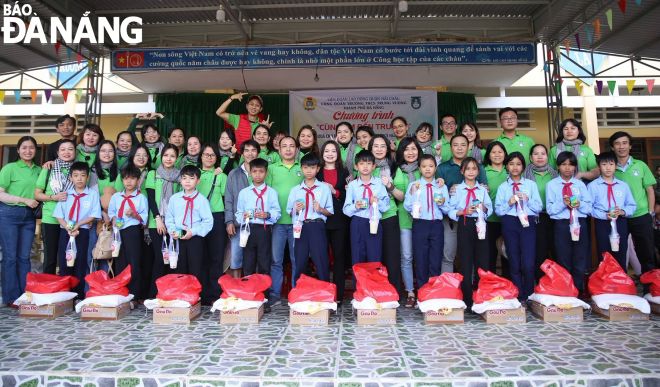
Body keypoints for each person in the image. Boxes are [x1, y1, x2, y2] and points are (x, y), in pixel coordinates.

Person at [610, 131, 657, 290]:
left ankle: (650, 289)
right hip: (619, 217)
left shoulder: (641, 166)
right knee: (618, 252)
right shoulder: (610, 167)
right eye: (617, 143)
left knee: (646, 253)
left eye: (624, 143)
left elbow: (649, 190)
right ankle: (621, 288)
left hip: (641, 215)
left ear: (630, 146)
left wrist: (651, 212)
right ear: (612, 147)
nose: (621, 147)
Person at [435, 134, 487, 274]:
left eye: (463, 145)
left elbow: (483, 188)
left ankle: (469, 289)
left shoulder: (477, 167)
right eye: (455, 145)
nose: (459, 148)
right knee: (448, 253)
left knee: (469, 255)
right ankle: (449, 288)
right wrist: (448, 191)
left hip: (473, 218)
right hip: (451, 217)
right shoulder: (442, 168)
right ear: (450, 148)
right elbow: (437, 191)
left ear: (469, 147)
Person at [495, 152, 542, 302]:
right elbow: (498, 211)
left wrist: (527, 200)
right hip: (510, 222)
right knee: (513, 261)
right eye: (511, 164)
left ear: (523, 166)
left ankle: (529, 294)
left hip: (527, 223)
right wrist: (509, 203)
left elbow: (538, 208)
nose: (515, 167)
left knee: (528, 263)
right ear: (507, 166)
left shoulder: (530, 185)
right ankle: (519, 296)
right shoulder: (503, 187)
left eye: (518, 164)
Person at [0, 137, 41, 307]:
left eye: (31, 148)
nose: (28, 151)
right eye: (24, 148)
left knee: (25, 257)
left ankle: (25, 294)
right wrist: (22, 199)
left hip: (29, 216)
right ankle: (10, 297)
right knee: (10, 257)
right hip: (9, 214)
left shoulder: (39, 170)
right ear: (18, 150)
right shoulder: (10, 168)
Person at [236, 158, 281, 312]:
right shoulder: (244, 193)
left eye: (261, 171)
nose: (257, 174)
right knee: (248, 263)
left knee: (264, 264)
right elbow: (238, 213)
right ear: (250, 172)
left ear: (266, 173)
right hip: (248, 230)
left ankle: (264, 298)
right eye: (254, 171)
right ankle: (248, 296)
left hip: (264, 230)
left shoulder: (271, 192)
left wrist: (267, 214)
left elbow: (277, 213)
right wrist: (242, 217)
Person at [53, 161, 101, 299]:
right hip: (65, 232)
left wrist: (78, 224)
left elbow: (94, 214)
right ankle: (65, 295)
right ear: (70, 178)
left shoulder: (92, 195)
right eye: (75, 175)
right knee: (64, 261)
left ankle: (78, 295)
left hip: (82, 231)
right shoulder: (65, 195)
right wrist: (68, 227)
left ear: (87, 178)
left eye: (82, 175)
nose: (79, 178)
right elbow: (58, 215)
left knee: (80, 262)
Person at [448, 157, 492, 308]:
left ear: (478, 171)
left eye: (474, 169)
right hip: (465, 224)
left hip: (481, 225)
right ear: (462, 171)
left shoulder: (482, 190)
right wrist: (464, 211)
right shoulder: (457, 190)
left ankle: (482, 297)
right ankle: (467, 299)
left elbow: (490, 210)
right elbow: (450, 210)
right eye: (468, 169)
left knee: (482, 261)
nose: (471, 172)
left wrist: (483, 208)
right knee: (465, 262)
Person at [546, 152, 593, 294]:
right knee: (563, 258)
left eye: (571, 164)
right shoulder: (552, 185)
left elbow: (589, 207)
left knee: (579, 258)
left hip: (579, 223)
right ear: (558, 166)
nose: (567, 168)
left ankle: (578, 291)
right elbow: (550, 210)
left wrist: (579, 204)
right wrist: (562, 203)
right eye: (564, 164)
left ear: (575, 167)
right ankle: (566, 291)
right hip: (562, 225)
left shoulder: (580, 184)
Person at [266, 136, 304, 306]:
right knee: (276, 260)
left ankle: (296, 292)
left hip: (298, 222)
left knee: (297, 259)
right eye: (284, 146)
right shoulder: (272, 168)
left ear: (297, 149)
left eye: (292, 146)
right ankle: (274, 294)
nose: (288, 149)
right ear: (278, 150)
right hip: (277, 223)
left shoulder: (302, 168)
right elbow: (265, 193)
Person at [404, 154, 450, 290]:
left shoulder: (441, 186)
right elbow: (407, 206)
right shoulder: (414, 185)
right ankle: (422, 291)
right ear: (419, 168)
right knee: (420, 258)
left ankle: (434, 291)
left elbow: (447, 209)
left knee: (435, 258)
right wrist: (413, 195)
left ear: (435, 168)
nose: (427, 169)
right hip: (420, 223)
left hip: (436, 225)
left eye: (431, 166)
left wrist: (442, 203)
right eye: (424, 166)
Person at [287, 153, 333, 284]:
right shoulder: (295, 190)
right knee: (300, 260)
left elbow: (330, 212)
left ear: (318, 169)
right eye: (306, 167)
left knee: (321, 260)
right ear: (301, 168)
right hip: (300, 226)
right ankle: (299, 293)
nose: (309, 171)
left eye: (312, 167)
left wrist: (320, 209)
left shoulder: (324, 188)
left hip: (317, 225)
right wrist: (295, 208)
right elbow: (289, 212)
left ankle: (326, 292)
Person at [165, 165, 214, 287]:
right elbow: (169, 217)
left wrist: (193, 231)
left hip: (195, 238)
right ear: (180, 180)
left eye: (191, 178)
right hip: (178, 237)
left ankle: (195, 295)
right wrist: (172, 230)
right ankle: (181, 295)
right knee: (179, 267)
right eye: (184, 178)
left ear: (198, 181)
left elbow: (208, 221)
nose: (187, 181)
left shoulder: (202, 200)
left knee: (196, 267)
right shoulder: (174, 199)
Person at [588, 151, 636, 269]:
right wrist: (604, 215)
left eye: (611, 164)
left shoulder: (623, 186)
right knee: (604, 252)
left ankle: (621, 281)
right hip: (602, 222)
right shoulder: (593, 186)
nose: (608, 168)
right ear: (598, 167)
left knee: (621, 251)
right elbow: (588, 207)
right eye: (604, 164)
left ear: (616, 166)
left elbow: (631, 205)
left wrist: (623, 212)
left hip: (620, 222)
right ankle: (605, 282)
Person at [108, 165, 149, 306]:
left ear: (138, 181)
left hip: (132, 230)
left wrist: (133, 214)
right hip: (118, 231)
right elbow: (111, 212)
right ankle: (121, 292)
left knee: (134, 262)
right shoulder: (116, 197)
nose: (129, 182)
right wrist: (113, 218)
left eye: (132, 178)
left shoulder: (141, 198)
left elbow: (144, 218)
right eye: (126, 179)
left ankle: (134, 294)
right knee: (120, 261)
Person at [316, 141, 351, 304]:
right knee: (321, 258)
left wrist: (334, 191)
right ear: (322, 154)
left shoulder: (344, 172)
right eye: (327, 151)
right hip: (320, 220)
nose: (330, 154)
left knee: (339, 259)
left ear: (338, 154)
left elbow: (349, 195)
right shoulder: (316, 172)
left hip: (340, 221)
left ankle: (338, 295)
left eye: (333, 151)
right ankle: (324, 293)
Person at [34, 139, 76, 275]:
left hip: (71, 219)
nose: (67, 152)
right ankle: (49, 288)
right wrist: (54, 197)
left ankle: (67, 287)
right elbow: (37, 195)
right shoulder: (48, 169)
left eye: (70, 149)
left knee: (69, 255)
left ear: (75, 152)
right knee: (50, 256)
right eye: (63, 149)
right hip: (51, 217)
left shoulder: (78, 170)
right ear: (57, 153)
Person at [145, 144, 181, 298]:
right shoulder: (153, 174)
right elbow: (151, 199)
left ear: (177, 158)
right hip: (156, 223)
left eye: (172, 156)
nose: (169, 159)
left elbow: (179, 201)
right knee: (160, 258)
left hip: (173, 223)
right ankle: (155, 294)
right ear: (161, 156)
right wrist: (158, 219)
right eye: (166, 155)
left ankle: (169, 292)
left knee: (173, 258)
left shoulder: (180, 176)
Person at [343, 150, 390, 268]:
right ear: (356, 166)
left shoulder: (379, 184)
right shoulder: (352, 186)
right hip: (357, 222)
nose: (365, 166)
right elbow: (346, 210)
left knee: (375, 257)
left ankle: (374, 286)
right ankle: (358, 286)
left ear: (374, 166)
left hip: (374, 222)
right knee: (358, 258)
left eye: (369, 163)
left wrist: (377, 202)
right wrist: (355, 206)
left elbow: (386, 207)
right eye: (362, 163)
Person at [391, 137, 422, 307]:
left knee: (423, 257)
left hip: (424, 219)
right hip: (403, 219)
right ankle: (410, 291)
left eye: (414, 148)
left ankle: (425, 290)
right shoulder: (395, 169)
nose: (410, 152)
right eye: (407, 149)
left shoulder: (425, 167)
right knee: (407, 257)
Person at [368, 134, 401, 291]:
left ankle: (392, 291)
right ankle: (375, 291)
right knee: (373, 258)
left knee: (392, 257)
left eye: (383, 146)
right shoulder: (366, 167)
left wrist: (390, 186)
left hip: (389, 216)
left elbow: (402, 196)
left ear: (388, 148)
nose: (379, 149)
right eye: (376, 146)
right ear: (370, 148)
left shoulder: (394, 167)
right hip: (370, 218)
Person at [196, 143, 228, 305]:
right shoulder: (194, 175)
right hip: (197, 219)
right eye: (206, 154)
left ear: (217, 158)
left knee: (216, 258)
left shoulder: (221, 176)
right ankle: (201, 293)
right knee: (200, 257)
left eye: (212, 155)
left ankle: (214, 295)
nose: (209, 157)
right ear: (200, 156)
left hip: (216, 218)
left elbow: (226, 197)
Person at [224, 140, 261, 278]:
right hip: (239, 225)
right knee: (235, 260)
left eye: (253, 150)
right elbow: (228, 199)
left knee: (257, 260)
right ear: (242, 153)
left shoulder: (263, 173)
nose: (250, 153)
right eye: (246, 150)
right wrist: (229, 221)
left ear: (258, 153)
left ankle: (255, 291)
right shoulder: (234, 174)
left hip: (258, 225)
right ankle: (237, 293)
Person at [523, 144, 558, 282]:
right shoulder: (524, 175)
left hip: (554, 216)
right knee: (539, 253)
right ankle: (541, 283)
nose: (539, 156)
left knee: (556, 251)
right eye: (536, 154)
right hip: (535, 217)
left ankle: (556, 283)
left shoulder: (555, 174)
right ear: (530, 157)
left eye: (543, 153)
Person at [88, 140, 119, 273]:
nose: (107, 153)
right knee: (92, 252)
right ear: (98, 153)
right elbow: (89, 196)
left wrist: (110, 214)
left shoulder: (118, 172)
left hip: (112, 219)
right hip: (93, 218)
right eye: (103, 150)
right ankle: (89, 289)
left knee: (106, 252)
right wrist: (102, 212)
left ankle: (104, 287)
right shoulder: (91, 172)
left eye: (110, 150)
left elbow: (119, 196)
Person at [483, 141, 509, 277]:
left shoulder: (511, 170)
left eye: (500, 152)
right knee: (490, 255)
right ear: (488, 155)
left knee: (508, 254)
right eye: (493, 152)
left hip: (509, 219)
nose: (497, 155)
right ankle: (491, 286)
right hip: (489, 219)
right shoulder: (483, 171)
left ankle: (508, 286)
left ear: (505, 154)